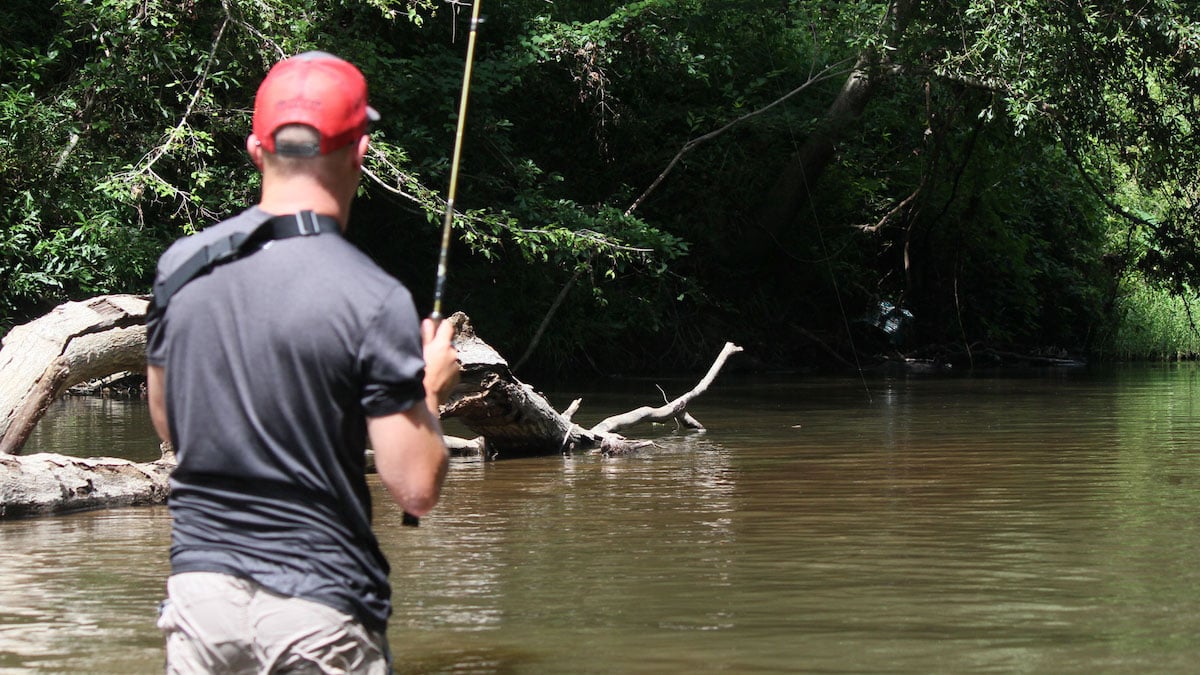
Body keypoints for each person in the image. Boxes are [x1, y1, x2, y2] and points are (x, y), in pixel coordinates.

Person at [145, 51, 459, 673]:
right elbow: (416, 490)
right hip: (318, 608)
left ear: (256, 149)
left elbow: (169, 425)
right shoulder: (374, 297)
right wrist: (430, 390)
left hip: (201, 601)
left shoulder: (181, 268)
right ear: (361, 152)